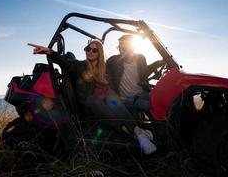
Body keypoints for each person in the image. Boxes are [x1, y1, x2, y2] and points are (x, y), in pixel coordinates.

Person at [28, 39, 157, 155]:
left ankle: (139, 135)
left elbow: (115, 81)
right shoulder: (80, 66)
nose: (90, 52)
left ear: (99, 53)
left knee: (112, 97)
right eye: (88, 49)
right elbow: (65, 62)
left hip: (106, 104)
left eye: (94, 50)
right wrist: (49, 52)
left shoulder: (105, 70)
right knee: (95, 99)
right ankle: (138, 134)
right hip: (90, 107)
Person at [106, 34, 164, 116]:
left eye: (124, 48)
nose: (121, 50)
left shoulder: (141, 58)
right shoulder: (113, 61)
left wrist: (159, 63)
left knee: (162, 100)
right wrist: (115, 96)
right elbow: (105, 76)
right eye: (119, 48)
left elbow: (144, 72)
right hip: (126, 99)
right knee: (148, 105)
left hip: (142, 94)